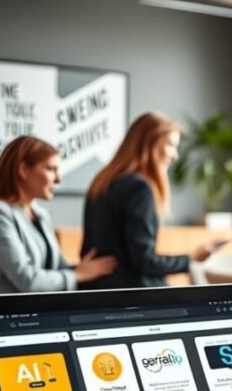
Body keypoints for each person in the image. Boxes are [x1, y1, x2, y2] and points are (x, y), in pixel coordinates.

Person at [80, 112, 223, 289]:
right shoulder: (139, 188)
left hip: (95, 290)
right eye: (171, 145)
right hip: (129, 295)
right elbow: (144, 261)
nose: (175, 156)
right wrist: (191, 258)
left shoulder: (101, 182)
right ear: (150, 144)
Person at [0, 136, 117, 294]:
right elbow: (28, 281)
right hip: (8, 315)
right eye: (51, 169)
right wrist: (77, 274)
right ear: (24, 169)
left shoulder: (40, 214)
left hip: (40, 311)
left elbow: (58, 268)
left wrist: (83, 269)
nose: (58, 179)